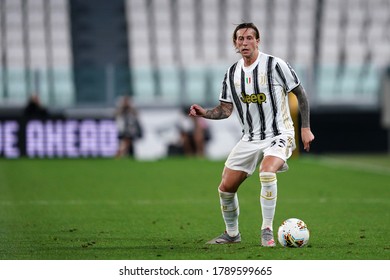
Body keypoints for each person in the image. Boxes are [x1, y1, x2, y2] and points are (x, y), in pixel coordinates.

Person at [189, 22, 315, 246]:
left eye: (249, 38)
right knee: (226, 188)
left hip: (279, 134)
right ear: (235, 43)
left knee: (266, 172)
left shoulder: (275, 65)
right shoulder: (232, 73)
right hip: (249, 138)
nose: (244, 42)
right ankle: (232, 234)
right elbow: (225, 110)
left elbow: (301, 94)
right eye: (240, 39)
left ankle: (266, 229)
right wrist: (204, 113)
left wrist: (305, 128)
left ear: (258, 41)